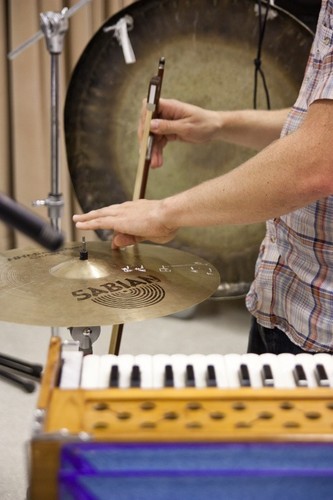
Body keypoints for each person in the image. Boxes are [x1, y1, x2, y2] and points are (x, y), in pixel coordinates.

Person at [73, 0, 333, 355]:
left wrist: (165, 213)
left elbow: (317, 162)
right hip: (286, 295)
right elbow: (312, 126)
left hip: (323, 326)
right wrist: (218, 125)